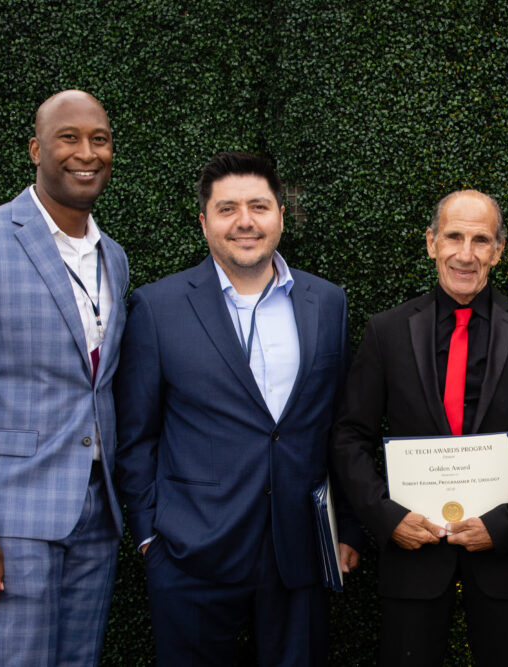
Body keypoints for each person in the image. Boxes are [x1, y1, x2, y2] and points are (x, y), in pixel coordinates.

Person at [114, 151, 362, 665]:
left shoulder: (328, 302)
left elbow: (339, 425)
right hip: (190, 552)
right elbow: (136, 434)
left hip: (300, 550)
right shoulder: (157, 308)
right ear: (203, 221)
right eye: (227, 209)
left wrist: (345, 528)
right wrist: (147, 538)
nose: (245, 221)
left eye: (259, 206)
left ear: (280, 216)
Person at [0, 90, 129, 665]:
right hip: (11, 517)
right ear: (37, 149)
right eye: (68, 137)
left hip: (96, 510)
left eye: (100, 139)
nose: (86, 152)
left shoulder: (114, 256)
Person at [330, 189, 508, 665]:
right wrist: (387, 517)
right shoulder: (386, 332)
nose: (466, 254)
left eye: (481, 240)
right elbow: (349, 436)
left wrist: (504, 526)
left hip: (506, 560)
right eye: (453, 237)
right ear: (431, 243)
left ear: (498, 251)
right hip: (412, 557)